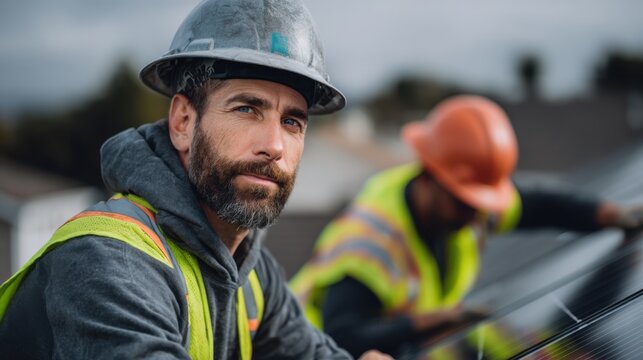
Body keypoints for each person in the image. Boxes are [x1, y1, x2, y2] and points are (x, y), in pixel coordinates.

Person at [0, 1, 392, 359]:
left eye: (291, 122)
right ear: (183, 122)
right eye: (246, 109)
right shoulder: (107, 263)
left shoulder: (250, 273)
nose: (274, 146)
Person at [290, 95, 643, 358]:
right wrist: (438, 321)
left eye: (483, 204)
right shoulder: (370, 245)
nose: (478, 216)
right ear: (431, 175)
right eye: (466, 203)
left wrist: (613, 215)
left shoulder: (465, 206)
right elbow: (345, 336)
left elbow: (541, 204)